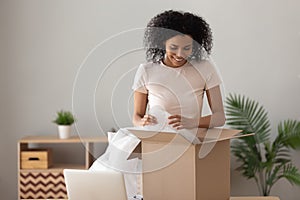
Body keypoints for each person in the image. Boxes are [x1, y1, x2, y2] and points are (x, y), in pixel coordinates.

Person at [132, 10, 226, 131]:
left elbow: (219, 118)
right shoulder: (146, 71)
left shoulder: (205, 68)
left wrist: (193, 123)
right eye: (173, 47)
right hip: (157, 137)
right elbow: (136, 117)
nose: (180, 54)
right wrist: (142, 121)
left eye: (187, 48)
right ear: (162, 43)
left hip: (190, 138)